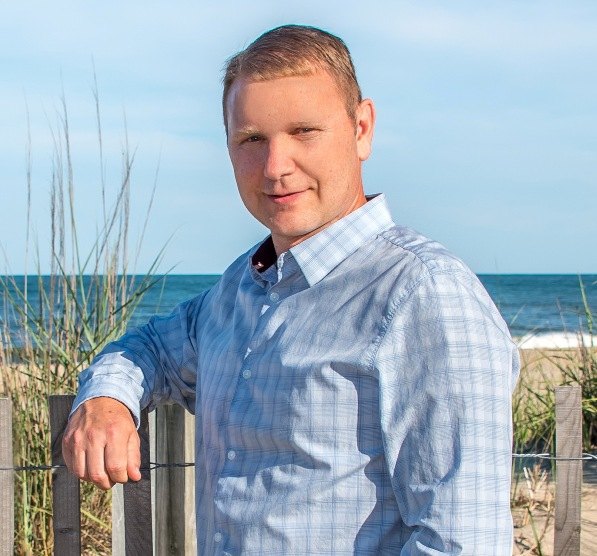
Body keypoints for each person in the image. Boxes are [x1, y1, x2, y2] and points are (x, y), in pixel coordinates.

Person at [63, 24, 520, 554]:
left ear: (361, 129)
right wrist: (106, 398)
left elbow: (463, 542)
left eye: (304, 131)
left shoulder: (424, 295)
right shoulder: (241, 289)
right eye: (252, 139)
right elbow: (150, 350)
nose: (276, 167)